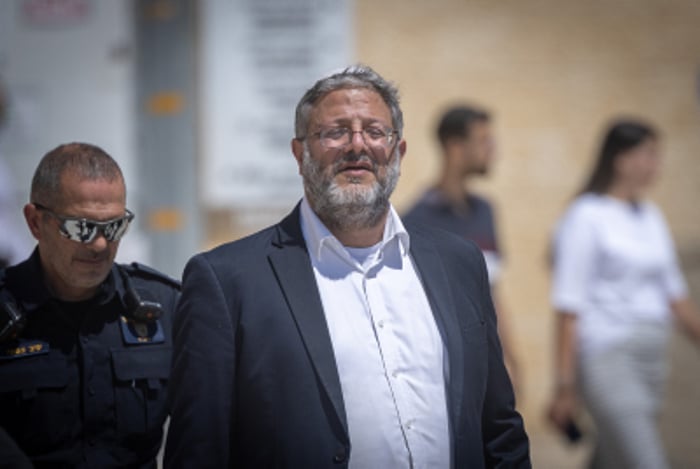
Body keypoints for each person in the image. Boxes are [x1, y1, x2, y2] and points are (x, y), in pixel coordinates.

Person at [165, 64, 530, 468]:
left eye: (375, 132)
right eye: (336, 131)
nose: (358, 145)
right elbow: (199, 449)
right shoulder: (228, 281)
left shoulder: (459, 263)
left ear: (398, 151)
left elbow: (498, 429)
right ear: (300, 153)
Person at [0, 143, 180, 468]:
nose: (99, 244)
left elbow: (204, 423)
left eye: (114, 227)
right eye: (81, 228)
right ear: (35, 223)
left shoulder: (163, 308)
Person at [547, 119, 700, 468]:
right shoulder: (586, 216)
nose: (655, 165)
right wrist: (565, 386)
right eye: (648, 155)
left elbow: (676, 298)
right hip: (607, 357)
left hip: (652, 362)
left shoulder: (650, 216)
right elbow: (568, 307)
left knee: (613, 460)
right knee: (647, 461)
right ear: (620, 158)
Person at [403, 105, 520, 387]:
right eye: (483, 141)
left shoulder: (485, 211)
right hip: (444, 372)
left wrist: (512, 360)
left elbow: (491, 291)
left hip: (487, 365)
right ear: (455, 147)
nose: (492, 150)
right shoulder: (415, 222)